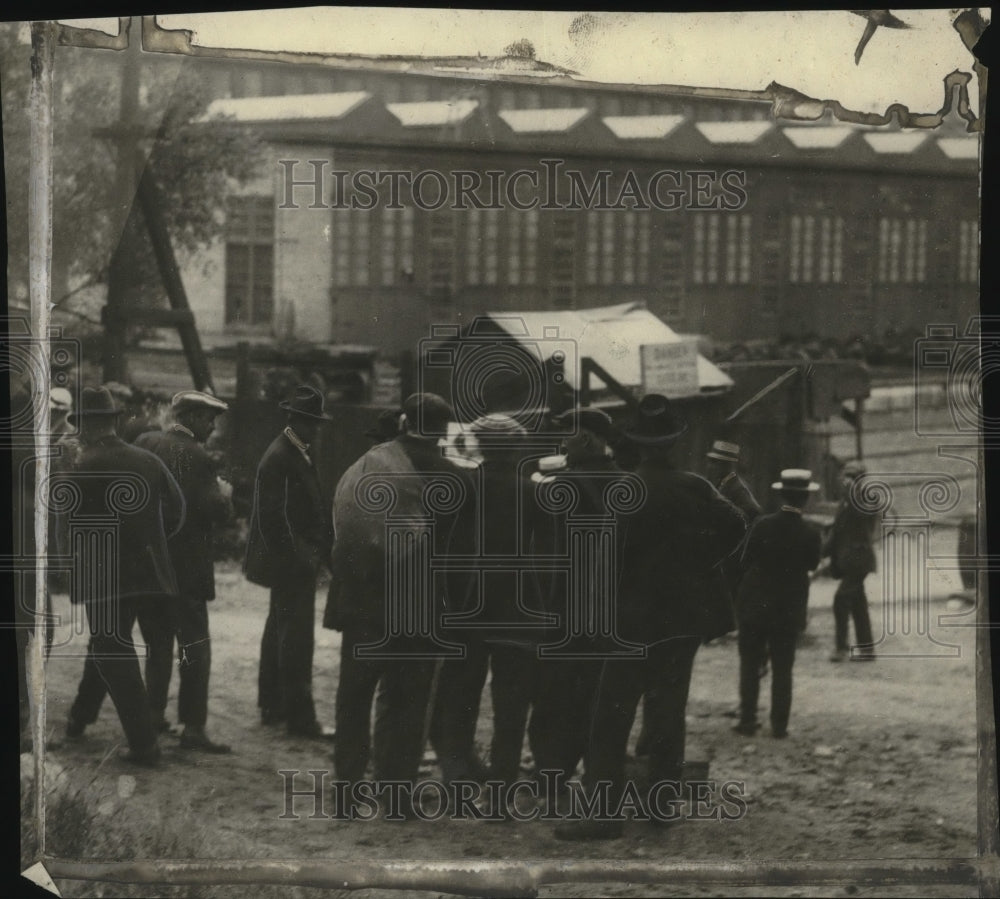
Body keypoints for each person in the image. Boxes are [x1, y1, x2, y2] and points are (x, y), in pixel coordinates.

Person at [555, 394, 746, 840]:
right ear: (674, 443)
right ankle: (660, 806)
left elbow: (608, 561)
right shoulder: (696, 486)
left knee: (611, 715)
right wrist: (702, 562)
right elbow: (738, 523)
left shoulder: (626, 491)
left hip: (633, 622)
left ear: (636, 445)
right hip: (682, 621)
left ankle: (603, 816)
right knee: (667, 710)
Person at [325, 392, 468, 799]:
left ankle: (348, 789)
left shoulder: (368, 464)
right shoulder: (456, 478)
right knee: (407, 701)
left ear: (404, 422)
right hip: (420, 607)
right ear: (444, 432)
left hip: (363, 603)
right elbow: (460, 553)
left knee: (354, 696)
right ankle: (395, 792)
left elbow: (342, 530)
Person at [59, 387, 185, 766]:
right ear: (113, 422)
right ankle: (80, 717)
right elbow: (177, 510)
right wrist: (153, 543)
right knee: (106, 645)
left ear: (85, 426)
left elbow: (66, 526)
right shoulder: (147, 460)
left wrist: (72, 569)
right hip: (150, 572)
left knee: (114, 653)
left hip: (102, 577)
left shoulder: (80, 467)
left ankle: (145, 746)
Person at [527, 407, 624, 800]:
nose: (562, 444)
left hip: (563, 607)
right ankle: (592, 771)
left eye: (567, 436)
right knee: (595, 693)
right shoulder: (625, 482)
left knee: (553, 691)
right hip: (610, 610)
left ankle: (552, 772)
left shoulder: (561, 485)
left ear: (585, 438)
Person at [134, 390, 233, 753]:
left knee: (156, 644)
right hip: (187, 570)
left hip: (149, 566)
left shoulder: (146, 442)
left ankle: (152, 714)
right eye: (208, 419)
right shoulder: (199, 458)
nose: (211, 427)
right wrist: (225, 495)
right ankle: (193, 727)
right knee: (193, 647)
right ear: (190, 417)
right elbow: (216, 513)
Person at [245, 384, 334, 738]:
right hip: (290, 564)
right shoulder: (283, 455)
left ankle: (273, 705)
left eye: (315, 422)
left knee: (279, 632)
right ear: (293, 420)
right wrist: (305, 559)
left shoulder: (295, 451)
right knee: (296, 638)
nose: (314, 429)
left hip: (290, 561)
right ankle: (300, 718)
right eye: (307, 421)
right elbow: (273, 519)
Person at [733, 469, 822, 738]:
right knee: (783, 669)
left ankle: (747, 720)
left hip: (755, 605)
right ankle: (779, 726)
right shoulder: (811, 533)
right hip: (789, 609)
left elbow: (744, 558)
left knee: (749, 664)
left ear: (781, 494)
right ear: (806, 498)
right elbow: (813, 564)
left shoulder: (762, 525)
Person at [824, 459, 879, 662]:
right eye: (846, 476)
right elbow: (837, 531)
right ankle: (867, 649)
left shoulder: (869, 497)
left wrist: (850, 492)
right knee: (857, 603)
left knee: (841, 600)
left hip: (860, 560)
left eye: (853, 477)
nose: (847, 481)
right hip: (848, 561)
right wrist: (819, 553)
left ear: (861, 479)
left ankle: (841, 648)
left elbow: (861, 514)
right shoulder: (845, 502)